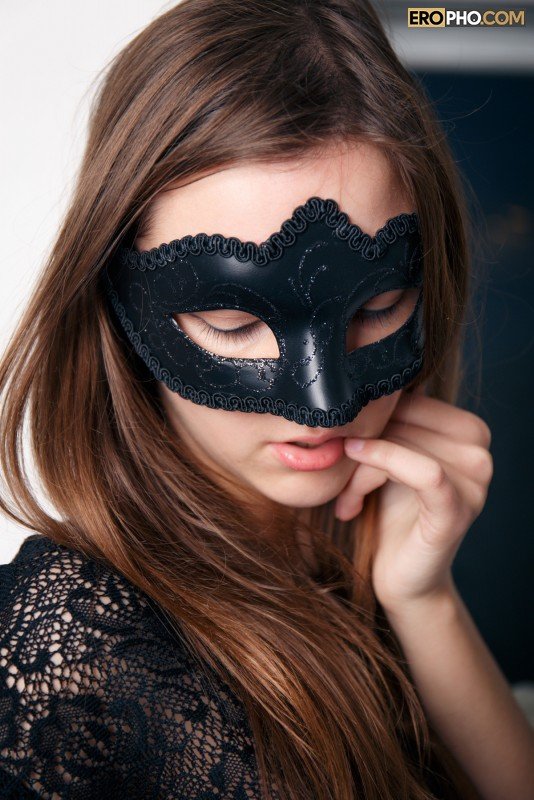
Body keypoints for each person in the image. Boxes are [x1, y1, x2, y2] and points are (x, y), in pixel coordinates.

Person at [0, 1, 532, 799]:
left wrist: (425, 601)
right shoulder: (70, 650)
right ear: (117, 303)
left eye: (376, 308)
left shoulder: (364, 568)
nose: (324, 404)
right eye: (233, 322)